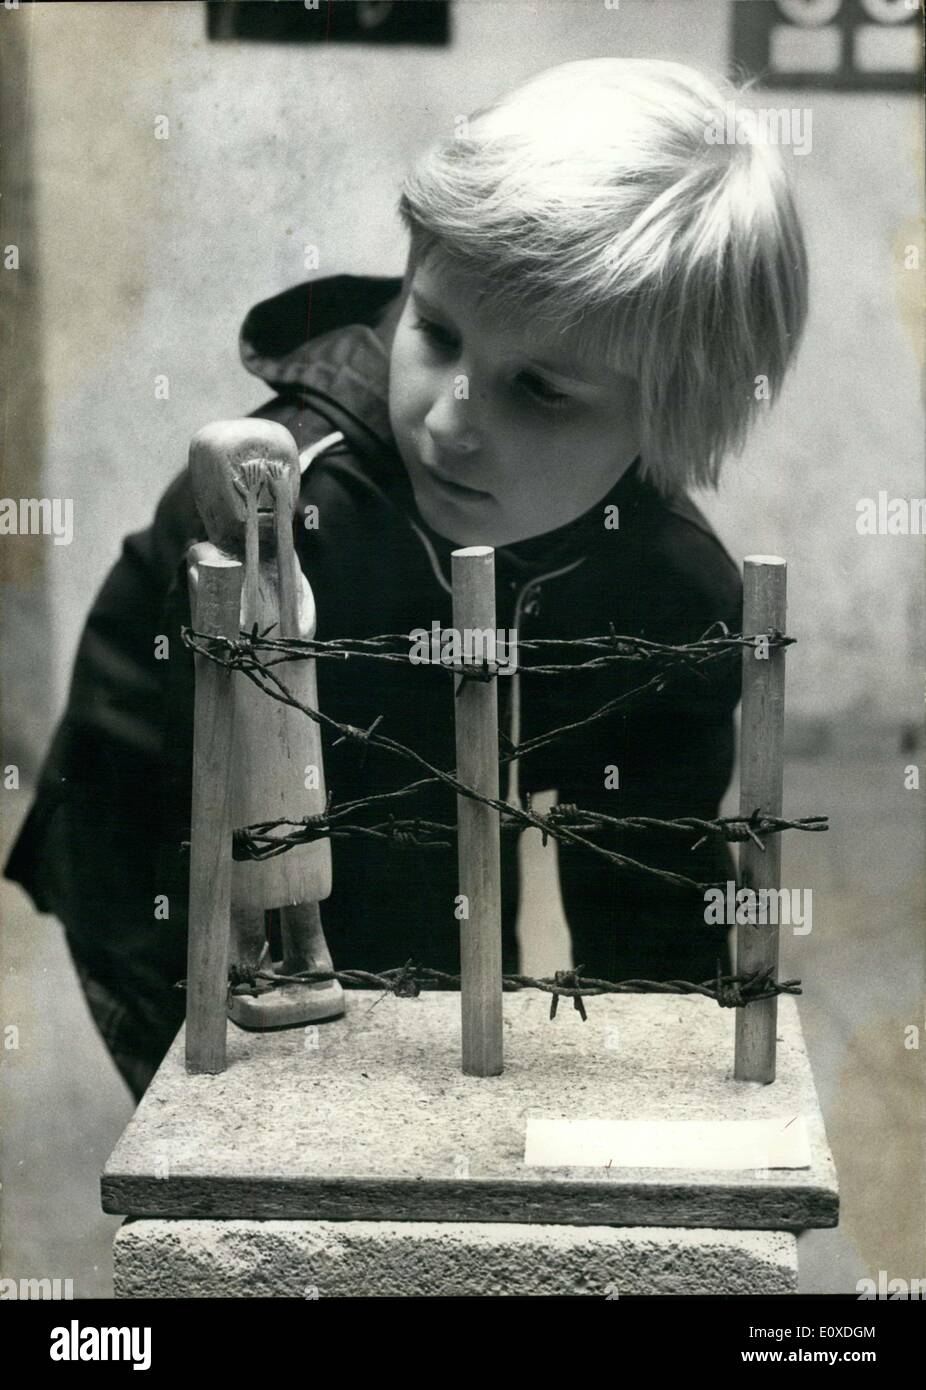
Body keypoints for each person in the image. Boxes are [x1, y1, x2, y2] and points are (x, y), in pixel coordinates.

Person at [4, 58, 808, 1100]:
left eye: (539, 390)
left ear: (674, 423)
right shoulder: (302, 511)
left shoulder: (672, 589)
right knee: (284, 1084)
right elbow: (357, 892)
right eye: (432, 332)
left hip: (389, 814)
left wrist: (650, 1087)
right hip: (153, 839)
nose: (444, 419)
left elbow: (650, 884)